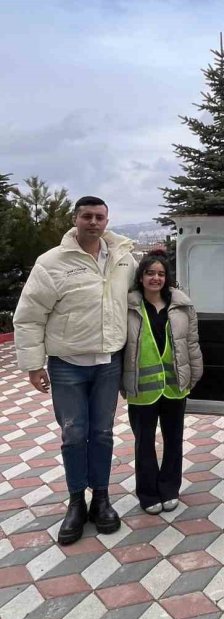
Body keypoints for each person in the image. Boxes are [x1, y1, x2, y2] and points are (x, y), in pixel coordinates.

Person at [14, 196, 136, 545]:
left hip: (108, 364)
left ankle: (101, 498)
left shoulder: (121, 259)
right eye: (87, 216)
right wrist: (33, 365)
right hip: (67, 365)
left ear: (107, 220)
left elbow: (136, 298)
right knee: (72, 433)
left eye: (99, 216)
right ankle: (75, 502)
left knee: (102, 434)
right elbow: (29, 315)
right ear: (76, 219)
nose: (94, 222)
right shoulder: (52, 262)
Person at [122, 250, 202, 514]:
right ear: (141, 276)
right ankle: (147, 493)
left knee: (173, 440)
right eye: (150, 273)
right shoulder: (129, 305)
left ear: (167, 278)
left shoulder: (181, 305)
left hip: (173, 386)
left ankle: (169, 488)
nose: (155, 278)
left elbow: (191, 342)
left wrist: (194, 374)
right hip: (142, 389)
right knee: (144, 443)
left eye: (160, 273)